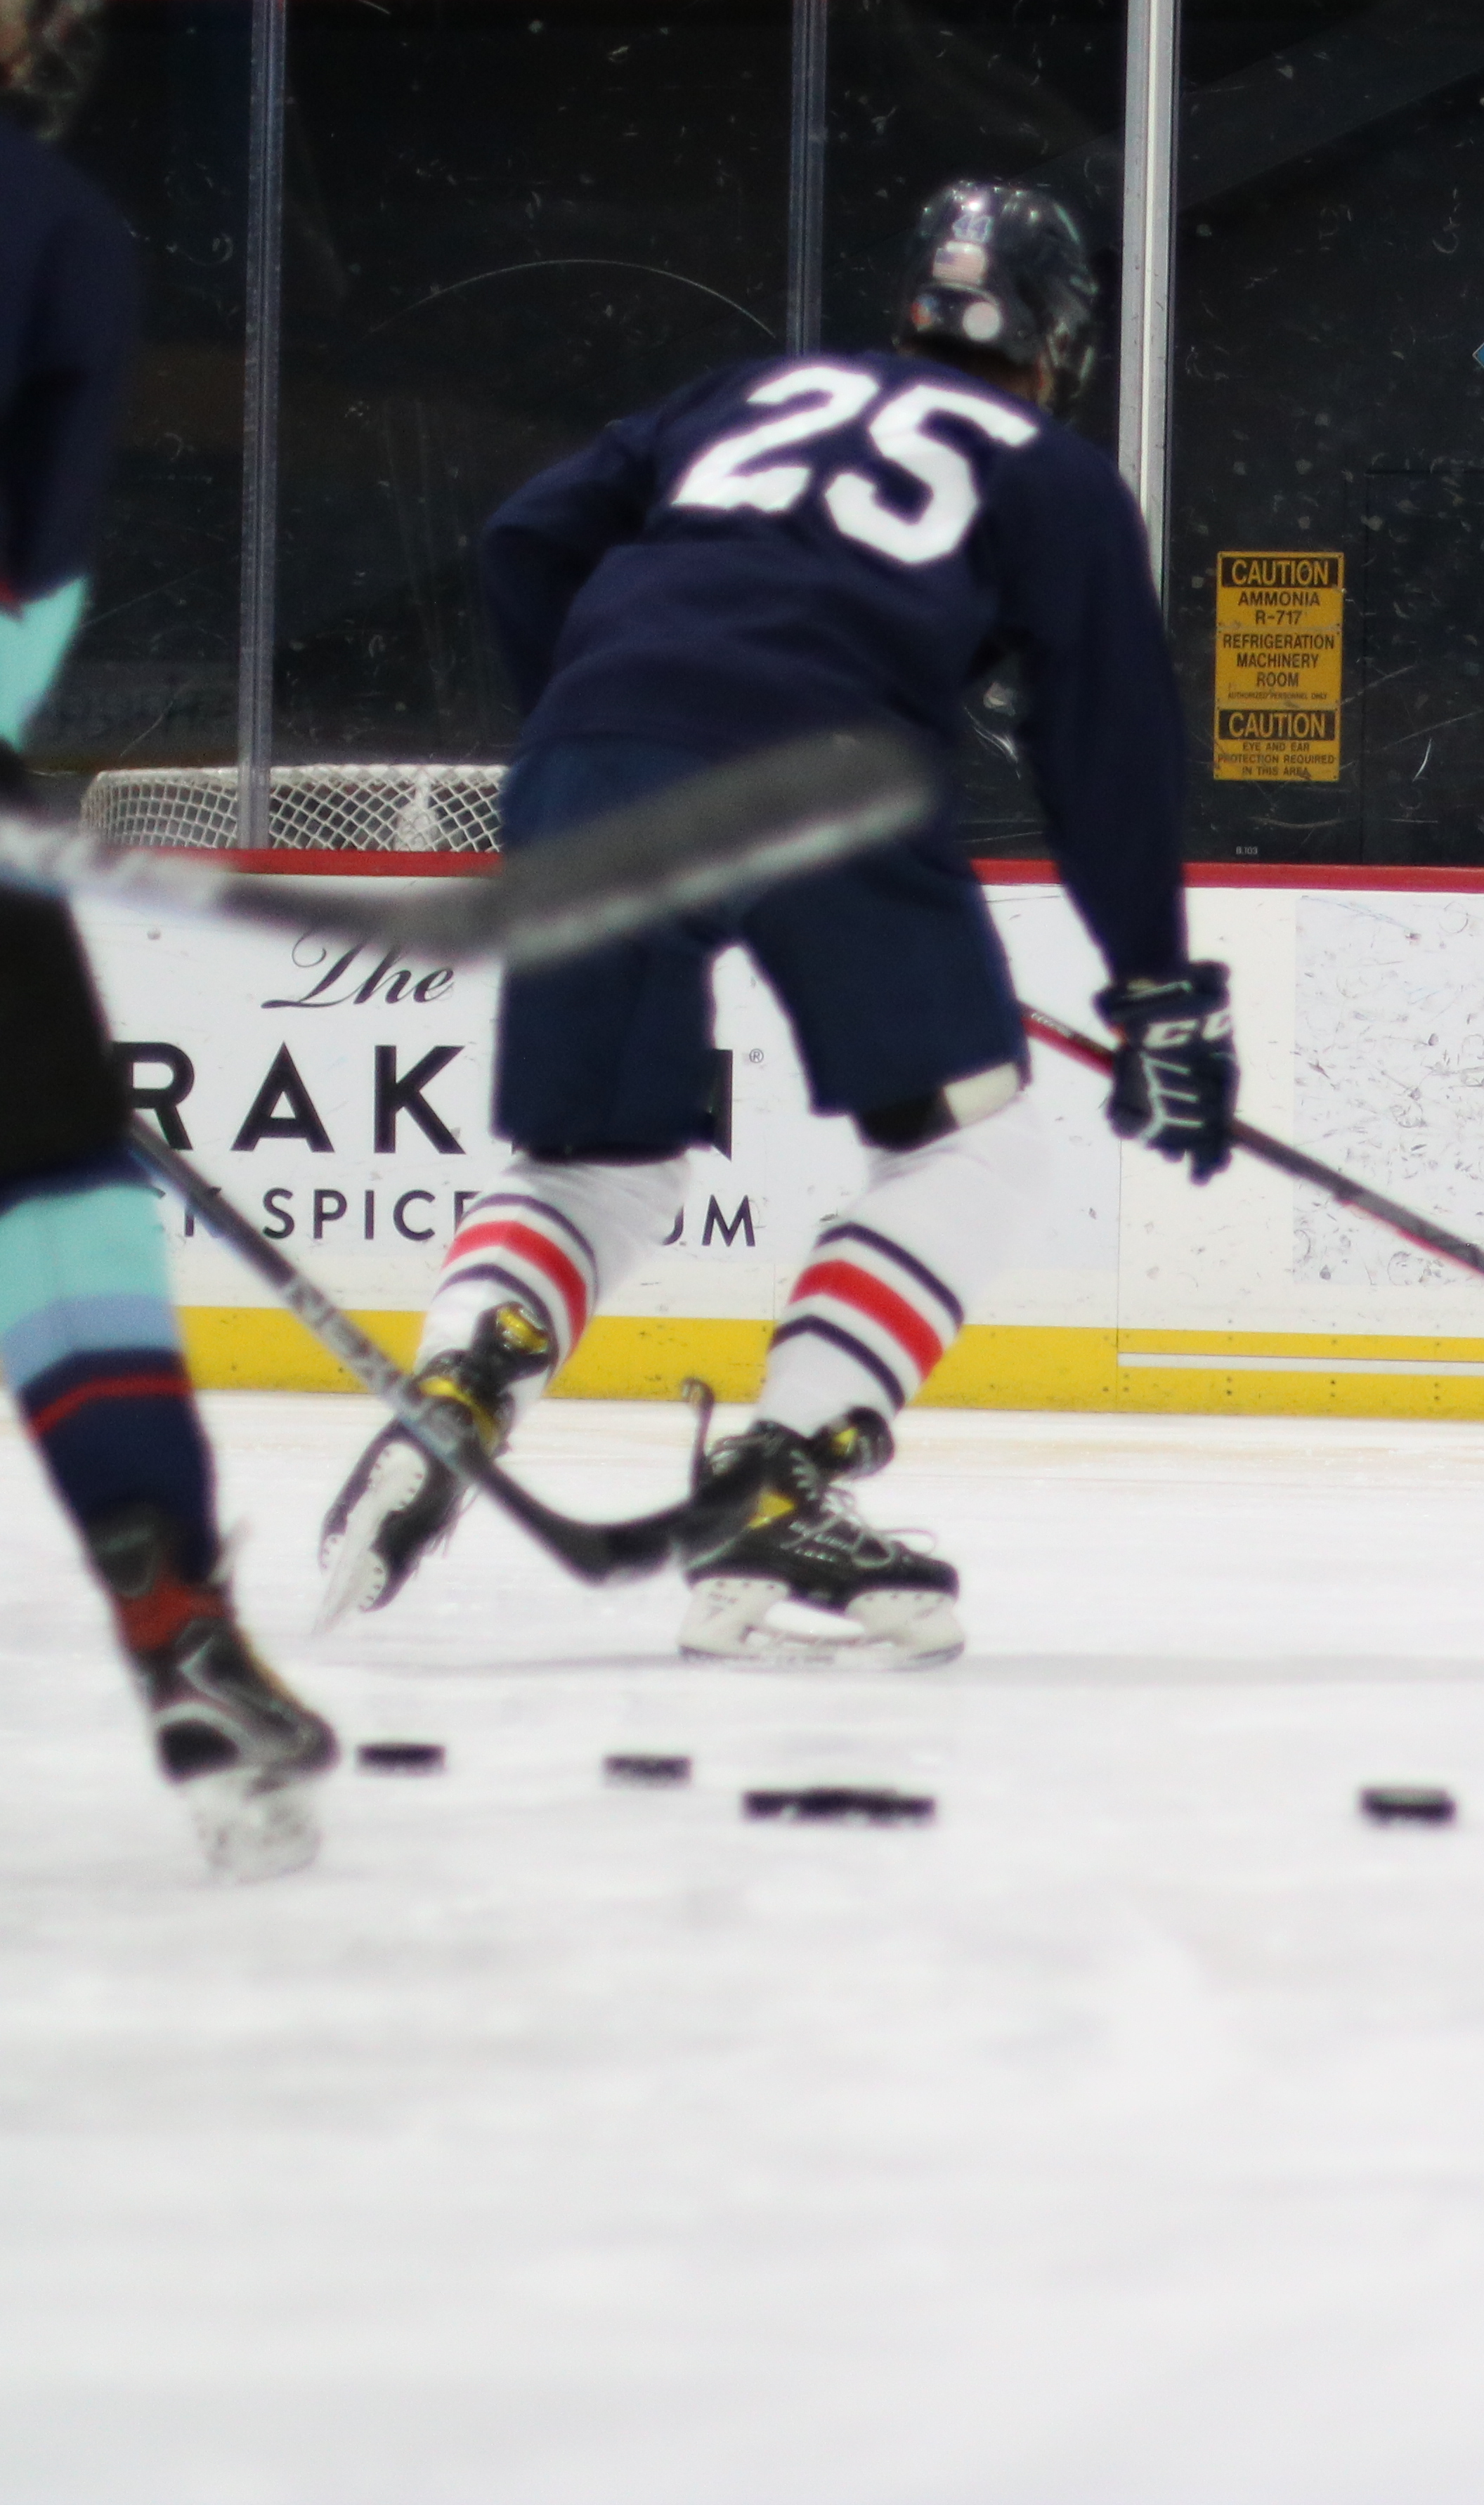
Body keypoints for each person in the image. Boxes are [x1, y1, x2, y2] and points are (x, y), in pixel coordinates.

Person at [315, 179, 1236, 1670]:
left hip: (594, 762)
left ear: (911, 308)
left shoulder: (753, 390)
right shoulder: (1054, 477)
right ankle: (782, 1475)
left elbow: (520, 541)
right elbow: (1106, 757)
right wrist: (1157, 990)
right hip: (828, 777)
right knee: (967, 1140)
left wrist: (612, 720)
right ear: (1062, 340)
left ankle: (463, 1375)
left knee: (592, 1167)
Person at [1, 0, 337, 1877]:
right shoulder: (60, 240)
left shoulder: (63, 242)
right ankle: (178, 1610)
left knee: (60, 1188)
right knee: (56, 1197)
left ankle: (176, 1605)